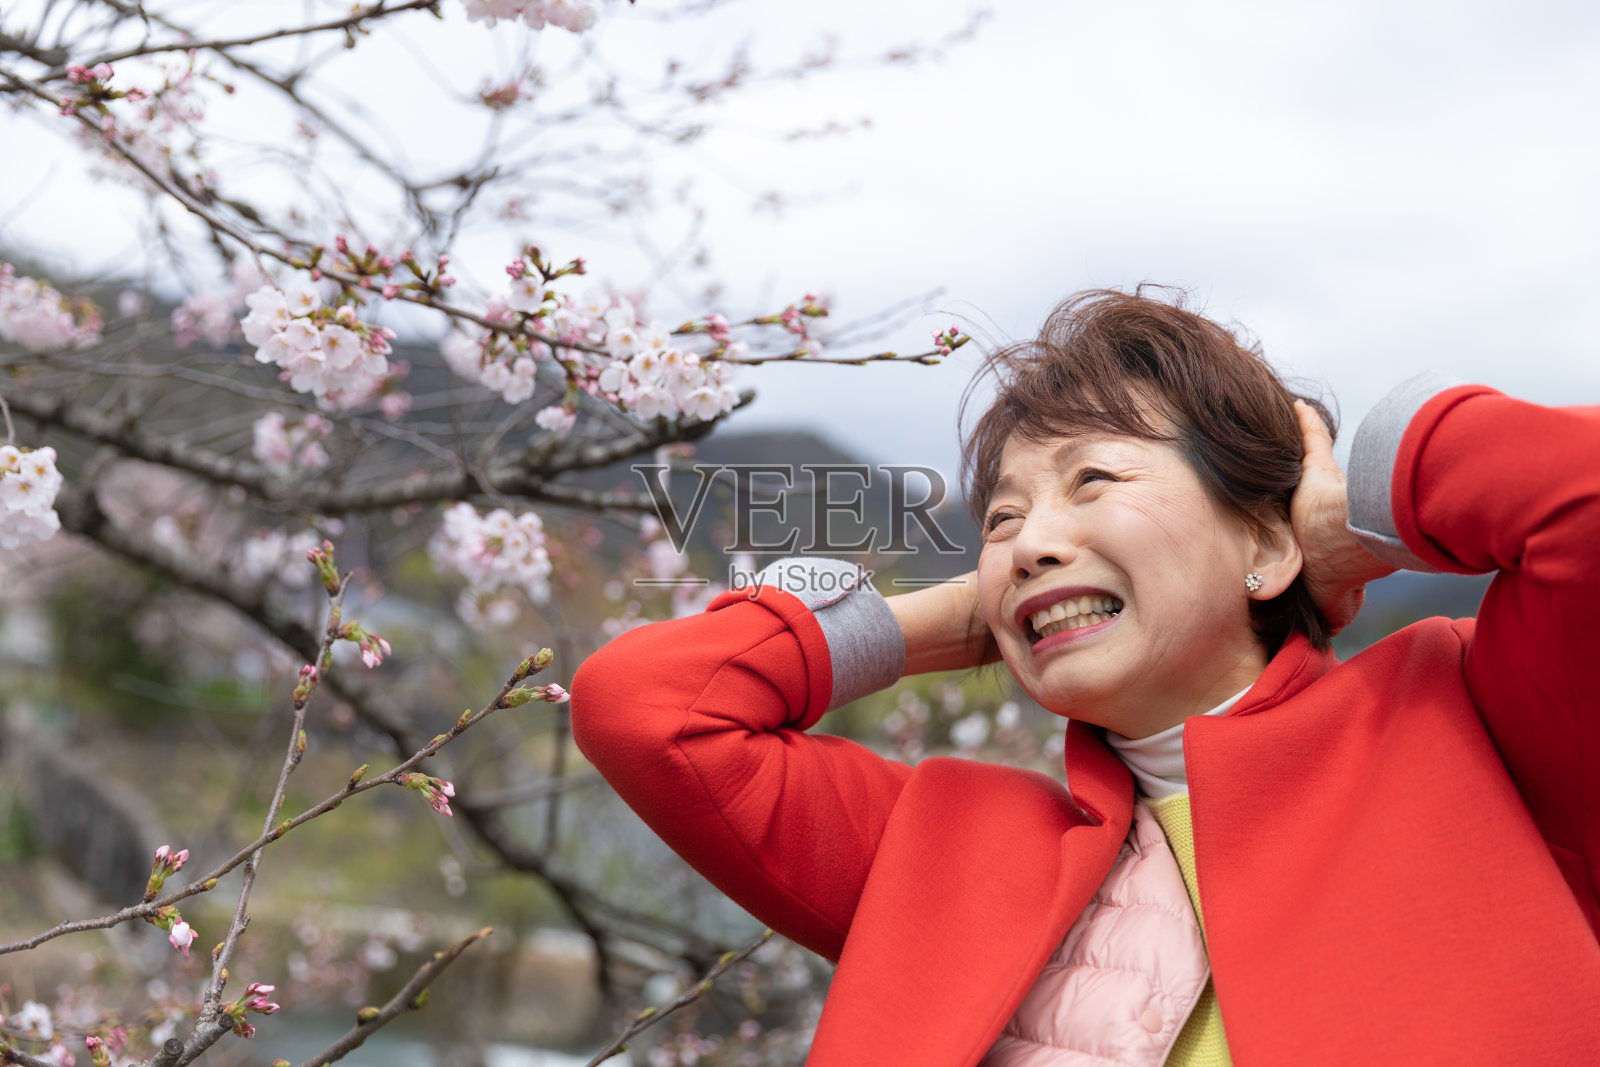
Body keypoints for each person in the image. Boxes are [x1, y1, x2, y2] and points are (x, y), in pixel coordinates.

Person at [570, 289, 1600, 1066]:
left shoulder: (1473, 716)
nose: (1028, 543)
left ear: (1262, 537)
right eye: (1003, 519)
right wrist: (963, 612)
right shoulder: (940, 846)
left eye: (1093, 479)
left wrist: (1355, 515)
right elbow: (645, 709)